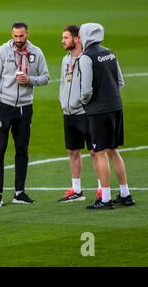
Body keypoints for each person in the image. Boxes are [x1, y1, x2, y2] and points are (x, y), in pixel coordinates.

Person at [0, 22, 50, 207]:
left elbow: (46, 77)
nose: (18, 40)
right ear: (11, 34)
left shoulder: (36, 53)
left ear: (27, 34)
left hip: (25, 107)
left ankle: (19, 193)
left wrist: (30, 80)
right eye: (15, 36)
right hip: (4, 107)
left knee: (22, 150)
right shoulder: (2, 51)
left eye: (21, 36)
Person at [79, 23, 135, 210]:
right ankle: (125, 194)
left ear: (86, 35)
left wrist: (84, 101)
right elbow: (120, 81)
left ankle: (105, 199)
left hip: (98, 111)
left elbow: (86, 90)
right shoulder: (110, 53)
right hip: (116, 106)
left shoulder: (86, 57)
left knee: (100, 152)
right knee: (113, 150)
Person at [58, 25, 101, 203]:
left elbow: (90, 86)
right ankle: (76, 189)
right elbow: (62, 83)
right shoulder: (65, 60)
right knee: (73, 150)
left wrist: (84, 103)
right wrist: (62, 101)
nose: (63, 41)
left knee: (94, 151)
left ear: (77, 39)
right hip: (68, 112)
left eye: (66, 37)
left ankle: (101, 188)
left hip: (84, 112)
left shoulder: (87, 59)